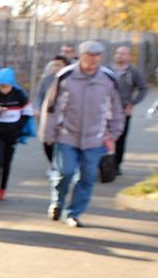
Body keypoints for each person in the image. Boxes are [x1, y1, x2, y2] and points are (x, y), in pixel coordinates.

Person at [41, 40, 124, 227]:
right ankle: (57, 202)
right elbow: (51, 106)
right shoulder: (66, 76)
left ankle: (74, 213)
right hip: (66, 134)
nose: (93, 59)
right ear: (81, 56)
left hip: (94, 137)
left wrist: (114, 132)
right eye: (89, 55)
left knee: (88, 176)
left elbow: (117, 107)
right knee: (66, 172)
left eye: (97, 55)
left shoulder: (108, 79)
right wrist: (48, 133)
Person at [0, 67, 31, 202]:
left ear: (12, 84)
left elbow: (27, 112)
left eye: (6, 86)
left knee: (7, 162)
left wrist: (18, 126)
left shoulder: (19, 95)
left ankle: (2, 189)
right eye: (1, 86)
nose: (3, 89)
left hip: (13, 134)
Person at [109, 45, 147, 173]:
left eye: (123, 53)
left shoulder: (133, 72)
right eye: (118, 53)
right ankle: (102, 165)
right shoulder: (107, 70)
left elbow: (143, 88)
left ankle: (116, 165)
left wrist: (133, 103)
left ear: (130, 57)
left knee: (120, 139)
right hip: (105, 109)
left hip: (123, 110)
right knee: (103, 138)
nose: (120, 56)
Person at [35, 56, 70, 165]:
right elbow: (39, 97)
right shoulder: (46, 80)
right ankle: (54, 164)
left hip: (65, 120)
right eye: (54, 65)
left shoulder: (71, 80)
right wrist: (37, 109)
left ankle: (59, 166)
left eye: (59, 65)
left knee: (62, 146)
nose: (56, 67)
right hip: (47, 117)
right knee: (47, 145)